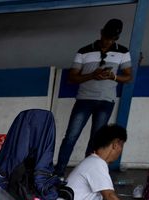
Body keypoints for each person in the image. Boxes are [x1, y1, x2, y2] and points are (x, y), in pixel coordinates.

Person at [54, 18, 133, 177]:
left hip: (106, 101)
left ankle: (84, 174)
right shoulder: (84, 50)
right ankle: (58, 173)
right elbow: (72, 78)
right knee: (71, 137)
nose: (107, 42)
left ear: (116, 38)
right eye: (106, 37)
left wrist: (113, 77)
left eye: (111, 39)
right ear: (101, 33)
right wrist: (92, 75)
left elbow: (128, 77)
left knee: (96, 140)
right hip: (84, 100)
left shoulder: (123, 52)